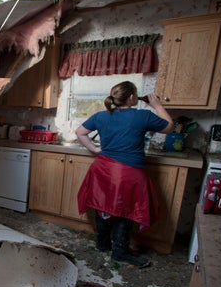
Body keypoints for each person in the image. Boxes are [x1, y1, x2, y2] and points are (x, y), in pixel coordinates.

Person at [75, 81, 174, 268]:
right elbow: (169, 126)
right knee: (125, 211)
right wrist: (158, 106)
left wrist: (95, 149)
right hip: (127, 172)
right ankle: (119, 253)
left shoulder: (101, 116)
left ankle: (102, 244)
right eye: (135, 94)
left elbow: (80, 132)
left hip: (102, 169)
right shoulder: (142, 116)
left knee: (103, 206)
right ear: (131, 97)